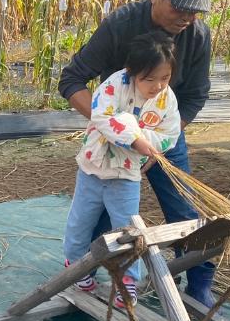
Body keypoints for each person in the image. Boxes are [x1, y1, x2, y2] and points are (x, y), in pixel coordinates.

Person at [58, 0, 217, 307]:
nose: (188, 18)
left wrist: (156, 143)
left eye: (195, 12)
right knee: (98, 213)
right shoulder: (120, 25)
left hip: (163, 134)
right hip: (111, 138)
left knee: (183, 209)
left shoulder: (197, 35)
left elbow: (195, 95)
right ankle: (85, 270)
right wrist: (110, 129)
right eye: (180, 8)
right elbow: (71, 80)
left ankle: (200, 281)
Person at [64, 32, 181, 306]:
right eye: (149, 79)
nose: (157, 86)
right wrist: (134, 137)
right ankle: (74, 265)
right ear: (132, 72)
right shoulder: (114, 84)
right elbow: (102, 117)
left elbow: (170, 133)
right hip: (94, 166)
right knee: (81, 221)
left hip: (127, 174)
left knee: (127, 227)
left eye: (164, 78)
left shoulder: (167, 99)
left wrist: (145, 141)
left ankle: (128, 279)